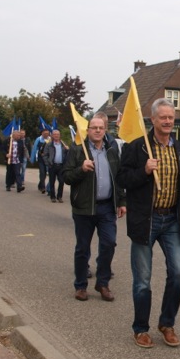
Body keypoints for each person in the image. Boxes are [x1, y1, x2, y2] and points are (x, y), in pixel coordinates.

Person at [117, 98, 180, 349]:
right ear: (153, 120)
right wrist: (144, 171)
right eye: (163, 117)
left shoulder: (179, 148)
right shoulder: (138, 147)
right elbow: (123, 178)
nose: (168, 121)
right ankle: (140, 329)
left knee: (179, 273)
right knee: (143, 280)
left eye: (171, 117)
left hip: (171, 220)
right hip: (145, 221)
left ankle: (166, 324)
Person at [64, 113, 126, 302]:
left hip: (107, 207)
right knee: (83, 248)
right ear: (88, 130)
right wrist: (81, 169)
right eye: (94, 127)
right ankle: (81, 285)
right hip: (84, 207)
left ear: (105, 130)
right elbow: (66, 177)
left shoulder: (112, 150)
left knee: (109, 244)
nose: (97, 130)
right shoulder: (77, 150)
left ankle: (103, 283)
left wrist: (122, 201)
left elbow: (119, 178)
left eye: (101, 128)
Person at [43, 129, 69, 203]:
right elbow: (45, 155)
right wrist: (48, 163)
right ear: (52, 136)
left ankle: (59, 196)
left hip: (61, 166)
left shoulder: (63, 144)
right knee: (52, 182)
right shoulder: (49, 145)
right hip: (52, 165)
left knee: (61, 181)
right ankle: (53, 197)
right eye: (54, 134)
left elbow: (68, 155)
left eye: (57, 134)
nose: (56, 136)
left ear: (60, 135)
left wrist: (68, 150)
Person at [32, 128, 51, 193]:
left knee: (46, 173)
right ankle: (43, 187)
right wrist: (33, 158)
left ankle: (40, 185)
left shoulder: (50, 139)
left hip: (48, 159)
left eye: (47, 133)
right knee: (42, 173)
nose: (46, 134)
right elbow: (35, 149)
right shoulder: (38, 139)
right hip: (41, 159)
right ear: (42, 133)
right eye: (45, 133)